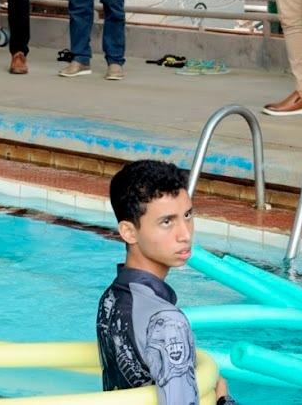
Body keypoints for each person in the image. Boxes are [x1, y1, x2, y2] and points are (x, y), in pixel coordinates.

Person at [97, 160, 234, 405]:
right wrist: (224, 400)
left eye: (187, 215)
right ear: (129, 232)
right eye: (167, 222)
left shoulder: (110, 298)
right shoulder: (168, 322)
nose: (185, 234)